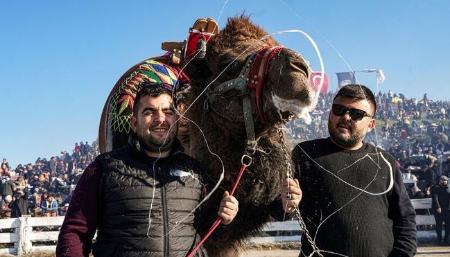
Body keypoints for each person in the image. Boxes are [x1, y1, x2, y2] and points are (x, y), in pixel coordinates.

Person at [56, 81, 239, 257]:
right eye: (149, 112)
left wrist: (226, 221)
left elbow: (214, 238)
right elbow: (74, 233)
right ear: (134, 123)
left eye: (167, 111)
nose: (160, 119)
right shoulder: (103, 168)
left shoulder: (196, 172)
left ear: (176, 119)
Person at [282, 84, 417, 257]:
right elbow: (277, 208)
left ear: (371, 124)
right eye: (338, 109)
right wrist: (286, 204)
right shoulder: (306, 153)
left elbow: (405, 219)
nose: (345, 117)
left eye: (356, 114)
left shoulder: (385, 162)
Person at [431, 175, 450, 245]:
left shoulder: (448, 188)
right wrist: (438, 207)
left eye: (445, 180)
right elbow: (435, 198)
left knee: (448, 226)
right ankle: (439, 240)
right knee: (439, 225)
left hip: (447, 209)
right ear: (439, 181)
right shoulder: (435, 187)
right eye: (442, 180)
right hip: (439, 210)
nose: (444, 181)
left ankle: (446, 240)